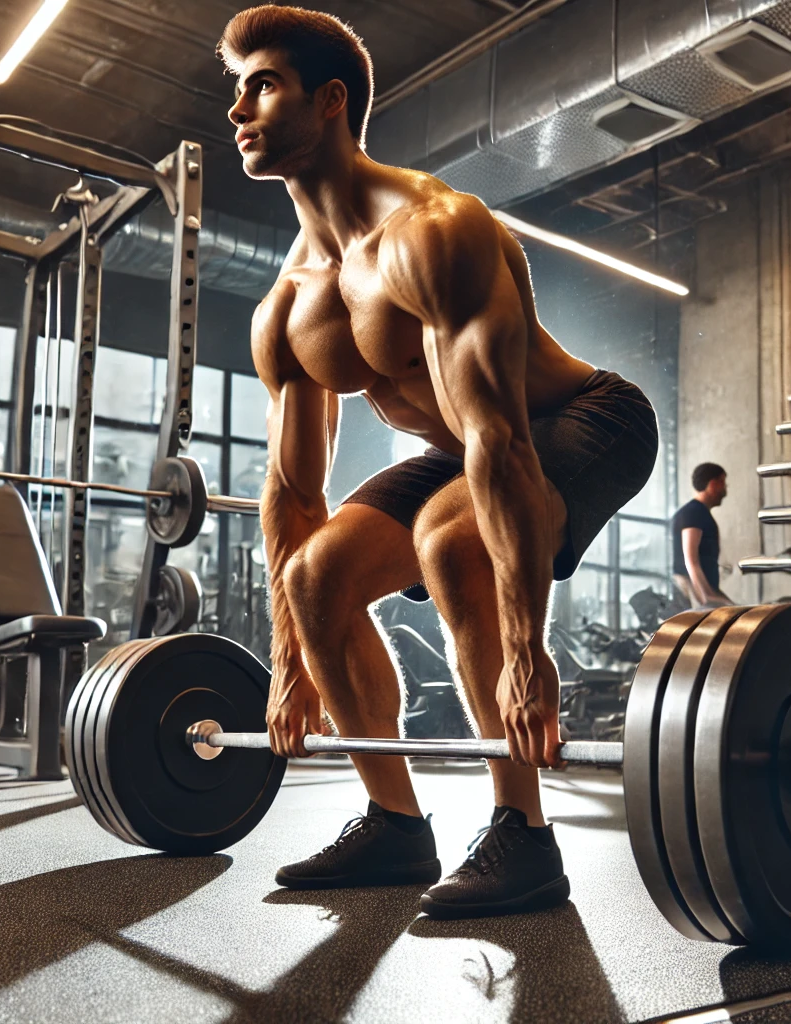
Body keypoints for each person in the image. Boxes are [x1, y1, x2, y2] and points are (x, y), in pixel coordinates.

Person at [217, 5, 659, 919]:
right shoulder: (287, 306)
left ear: (330, 100)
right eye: (238, 87)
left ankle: (524, 835)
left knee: (450, 536)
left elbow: (498, 437)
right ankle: (394, 823)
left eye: (262, 84)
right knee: (314, 575)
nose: (238, 108)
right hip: (462, 449)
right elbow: (295, 491)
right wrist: (286, 658)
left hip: (586, 419)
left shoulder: (434, 230)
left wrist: (528, 656)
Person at [671, 463, 730, 609]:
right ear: (713, 484)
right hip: (693, 595)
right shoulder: (693, 512)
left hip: (700, 592)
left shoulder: (698, 512)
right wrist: (706, 597)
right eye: (723, 483)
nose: (725, 490)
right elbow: (690, 560)